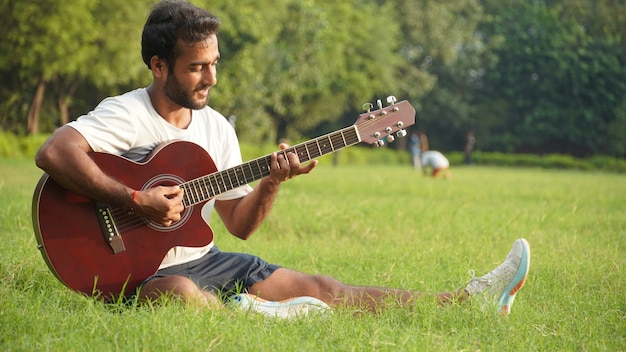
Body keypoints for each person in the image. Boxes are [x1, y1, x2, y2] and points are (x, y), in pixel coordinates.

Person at [35, 0, 530, 318]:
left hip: (207, 260)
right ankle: (251, 313)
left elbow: (240, 225)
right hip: (137, 274)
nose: (210, 79)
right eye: (196, 68)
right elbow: (55, 152)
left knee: (322, 287)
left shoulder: (216, 128)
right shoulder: (126, 113)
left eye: (214, 65)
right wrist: (134, 198)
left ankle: (465, 303)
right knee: (182, 298)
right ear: (158, 65)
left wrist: (272, 182)